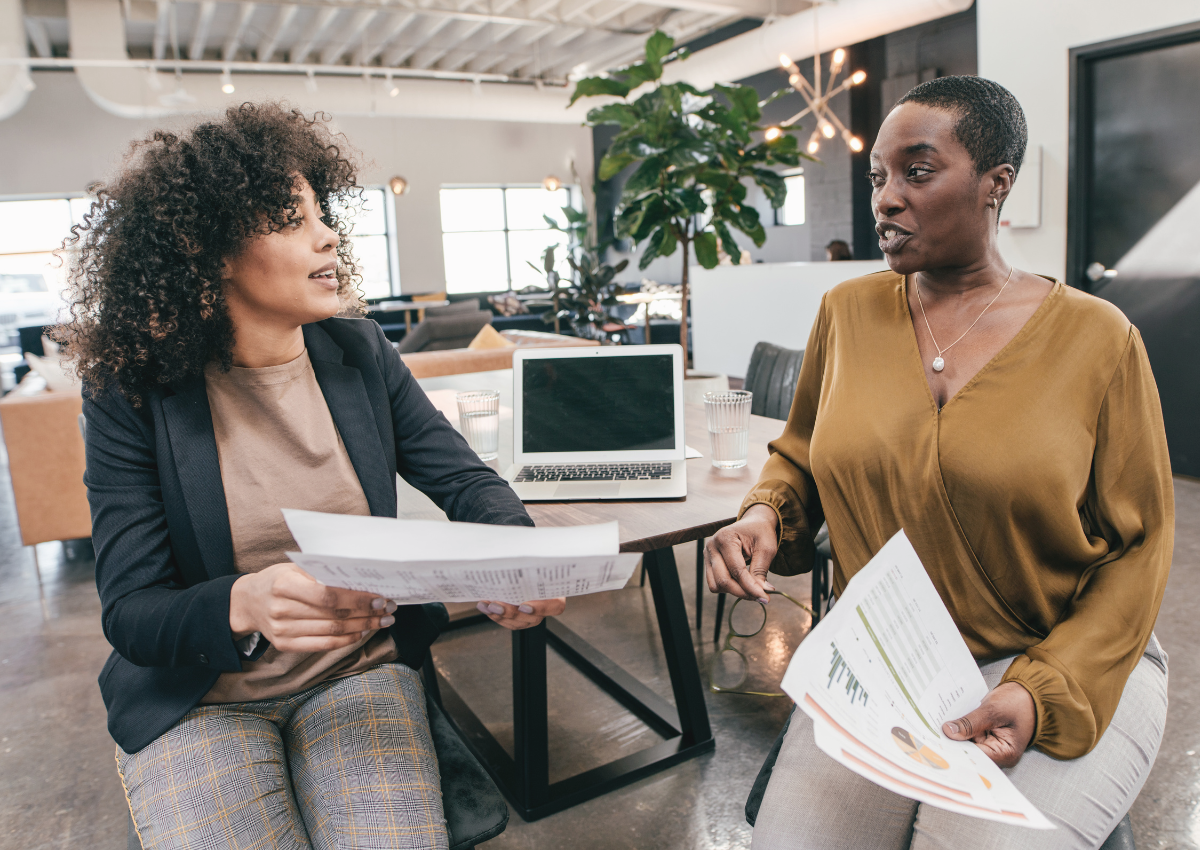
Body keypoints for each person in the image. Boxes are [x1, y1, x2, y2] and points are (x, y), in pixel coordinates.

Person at [59, 103, 564, 850]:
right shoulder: (133, 393)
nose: (328, 235)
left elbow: (465, 480)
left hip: (359, 670)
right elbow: (131, 611)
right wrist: (242, 600)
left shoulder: (359, 352)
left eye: (323, 213)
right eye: (291, 219)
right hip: (201, 698)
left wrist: (514, 554)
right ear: (210, 250)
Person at [706, 76, 1172, 849]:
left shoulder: (1099, 339)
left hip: (1062, 652)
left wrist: (1043, 688)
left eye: (916, 173)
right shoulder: (847, 314)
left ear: (997, 185)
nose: (886, 198)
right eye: (879, 177)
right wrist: (765, 512)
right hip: (887, 661)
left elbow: (1140, 546)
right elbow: (800, 458)